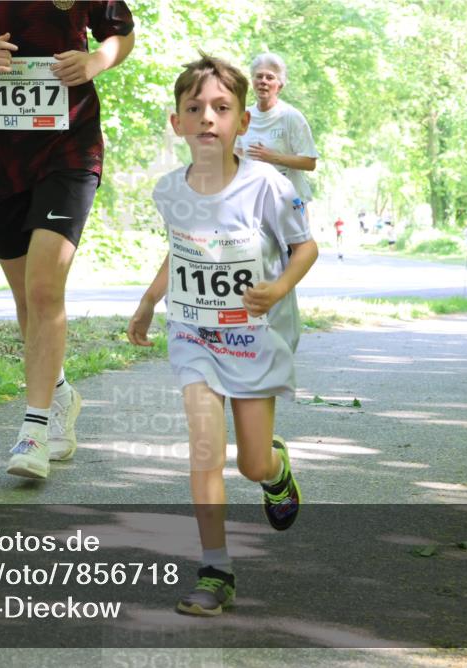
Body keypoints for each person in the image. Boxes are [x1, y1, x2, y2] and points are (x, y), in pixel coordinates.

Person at [127, 54, 318, 617]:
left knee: (250, 464)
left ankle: (276, 472)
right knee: (205, 448)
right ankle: (216, 569)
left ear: (241, 122)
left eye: (221, 108)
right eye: (195, 108)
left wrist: (278, 288)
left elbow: (305, 246)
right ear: (177, 122)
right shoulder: (170, 190)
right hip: (195, 335)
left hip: (254, 336)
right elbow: (182, 249)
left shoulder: (268, 186)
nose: (207, 117)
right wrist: (147, 302)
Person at [0, 1, 135, 478]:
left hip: (69, 147)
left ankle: (34, 430)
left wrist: (97, 60)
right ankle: (59, 393)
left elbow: (120, 33)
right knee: (26, 297)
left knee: (43, 289)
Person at [235, 52, 318, 223]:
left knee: (293, 251)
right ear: (253, 81)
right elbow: (236, 157)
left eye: (270, 77)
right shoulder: (243, 117)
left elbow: (310, 162)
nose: (263, 81)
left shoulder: (291, 117)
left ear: (279, 85)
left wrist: (272, 157)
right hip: (254, 205)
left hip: (290, 203)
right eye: (259, 76)